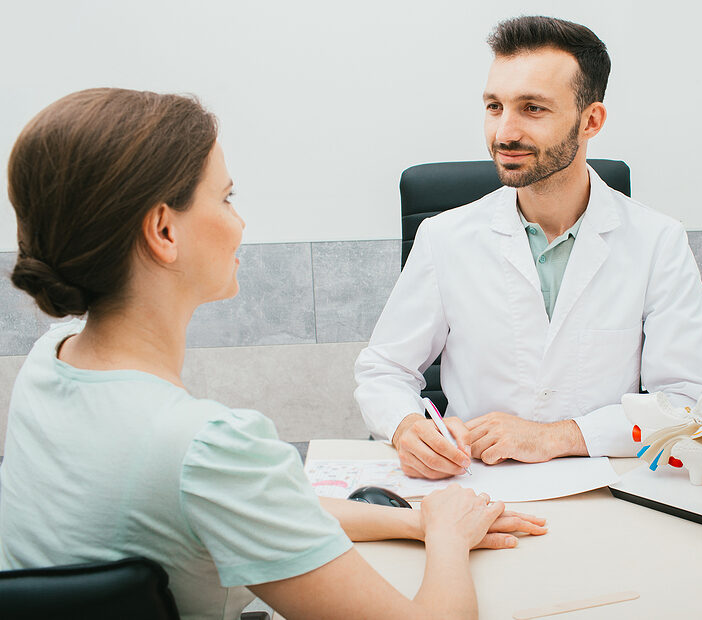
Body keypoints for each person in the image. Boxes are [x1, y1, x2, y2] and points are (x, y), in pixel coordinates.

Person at [0, 88, 546, 620]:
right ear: (164, 231)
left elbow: (248, 504)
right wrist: (449, 537)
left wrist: (416, 522)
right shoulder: (211, 447)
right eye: (226, 198)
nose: (240, 223)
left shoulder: (49, 362)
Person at [355, 15, 702, 480]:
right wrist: (407, 426)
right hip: (478, 485)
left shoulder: (657, 241)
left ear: (591, 120)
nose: (504, 133)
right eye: (495, 107)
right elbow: (384, 370)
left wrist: (559, 436)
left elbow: (695, 403)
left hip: (603, 486)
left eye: (532, 108)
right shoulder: (444, 237)